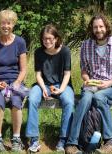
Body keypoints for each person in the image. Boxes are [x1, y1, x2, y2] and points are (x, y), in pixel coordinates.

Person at [65, 14, 112, 154]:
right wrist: (87, 79)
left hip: (111, 85)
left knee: (99, 97)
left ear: (106, 27)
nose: (98, 30)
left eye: (101, 26)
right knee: (86, 98)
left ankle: (109, 142)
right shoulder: (86, 45)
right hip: (91, 85)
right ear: (92, 29)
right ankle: (72, 143)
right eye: (95, 27)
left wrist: (109, 83)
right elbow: (84, 71)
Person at [25, 24, 75, 153]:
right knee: (32, 99)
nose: (47, 41)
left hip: (62, 84)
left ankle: (63, 139)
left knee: (69, 102)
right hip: (43, 84)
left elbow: (67, 74)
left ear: (56, 38)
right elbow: (38, 75)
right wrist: (43, 88)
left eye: (50, 38)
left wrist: (61, 90)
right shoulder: (38, 52)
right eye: (44, 39)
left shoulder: (65, 51)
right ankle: (34, 139)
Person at [0, 9, 27, 152]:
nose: (5, 26)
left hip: (15, 82)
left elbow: (23, 70)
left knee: (16, 101)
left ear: (13, 24)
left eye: (9, 23)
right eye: (3, 23)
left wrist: (17, 83)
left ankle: (16, 139)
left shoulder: (20, 42)